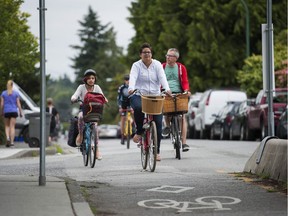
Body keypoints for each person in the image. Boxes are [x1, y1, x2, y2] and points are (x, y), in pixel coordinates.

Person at [128, 43, 171, 161]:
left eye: (149, 52)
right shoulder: (136, 65)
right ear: (140, 54)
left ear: (151, 54)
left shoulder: (157, 64)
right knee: (138, 108)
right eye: (144, 52)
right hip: (139, 94)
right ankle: (140, 131)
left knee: (157, 122)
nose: (147, 54)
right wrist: (131, 88)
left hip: (155, 96)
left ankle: (157, 151)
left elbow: (162, 77)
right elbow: (133, 77)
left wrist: (167, 89)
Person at [71, 69, 108, 160]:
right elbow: (75, 95)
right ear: (85, 79)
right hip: (83, 108)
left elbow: (102, 96)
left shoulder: (97, 87)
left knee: (95, 126)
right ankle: (81, 135)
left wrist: (105, 100)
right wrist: (74, 98)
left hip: (94, 110)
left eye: (93, 78)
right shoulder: (81, 87)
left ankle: (97, 150)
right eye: (89, 78)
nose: (91, 80)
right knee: (80, 117)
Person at [162, 48, 191, 152]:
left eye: (170, 56)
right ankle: (168, 126)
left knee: (182, 117)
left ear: (175, 58)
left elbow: (185, 81)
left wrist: (187, 90)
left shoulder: (181, 67)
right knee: (166, 112)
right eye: (167, 55)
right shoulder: (162, 67)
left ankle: (184, 143)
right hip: (165, 93)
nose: (167, 57)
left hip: (179, 93)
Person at [0, 80, 23, 147]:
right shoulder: (16, 93)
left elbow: (2, 104)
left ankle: (7, 138)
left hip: (6, 111)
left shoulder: (3, 93)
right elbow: (18, 104)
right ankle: (12, 142)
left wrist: (1, 112)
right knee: (12, 126)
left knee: (7, 126)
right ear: (12, 85)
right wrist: (20, 112)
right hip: (14, 111)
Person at [117, 74, 130, 145]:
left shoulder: (133, 86)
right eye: (127, 80)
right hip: (123, 104)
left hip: (131, 103)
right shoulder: (121, 88)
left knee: (135, 114)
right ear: (125, 81)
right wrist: (120, 107)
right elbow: (118, 98)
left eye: (129, 80)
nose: (128, 81)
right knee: (123, 119)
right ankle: (122, 136)